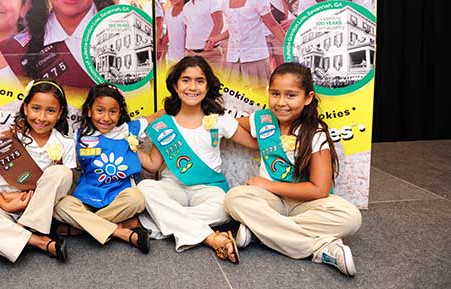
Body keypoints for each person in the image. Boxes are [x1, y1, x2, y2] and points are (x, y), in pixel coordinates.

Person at [224, 62, 362, 276]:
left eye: (291, 95)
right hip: (270, 201)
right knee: (234, 198)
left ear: (307, 98)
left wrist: (269, 184)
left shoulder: (314, 133)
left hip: (307, 202)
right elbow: (233, 127)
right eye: (275, 94)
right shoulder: (261, 120)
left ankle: (260, 231)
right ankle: (322, 248)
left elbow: (319, 190)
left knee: (351, 217)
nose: (281, 103)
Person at [137, 56, 258, 264]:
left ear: (207, 86)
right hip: (172, 186)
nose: (192, 87)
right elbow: (153, 164)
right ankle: (210, 237)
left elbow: (255, 144)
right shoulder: (164, 123)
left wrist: (281, 133)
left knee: (224, 206)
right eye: (186, 80)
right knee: (146, 188)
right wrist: (126, 144)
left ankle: (163, 223)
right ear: (175, 86)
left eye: (199, 81)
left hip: (209, 189)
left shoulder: (219, 120)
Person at [0, 79, 76, 263]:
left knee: (62, 173)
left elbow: (62, 186)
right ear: (25, 108)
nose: (42, 117)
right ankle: (37, 241)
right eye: (36, 108)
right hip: (6, 208)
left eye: (50, 111)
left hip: (42, 210)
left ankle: (16, 233)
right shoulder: (8, 139)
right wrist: (6, 205)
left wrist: (31, 200)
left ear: (59, 114)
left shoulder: (66, 143)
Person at [53, 83, 161, 253]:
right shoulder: (80, 135)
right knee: (61, 206)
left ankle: (80, 228)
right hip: (87, 197)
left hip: (119, 197)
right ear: (89, 111)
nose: (106, 117)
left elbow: (156, 117)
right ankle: (119, 231)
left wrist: (180, 103)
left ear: (120, 113)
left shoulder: (129, 129)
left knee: (137, 198)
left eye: (113, 112)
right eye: (100, 110)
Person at [206, 0, 285, 90]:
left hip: (255, 58)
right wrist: (216, 38)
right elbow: (232, 29)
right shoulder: (225, 3)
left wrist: (288, 45)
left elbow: (273, 25)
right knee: (235, 97)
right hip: (233, 59)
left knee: (257, 96)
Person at [183, 0, 224, 68]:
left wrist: (210, 42)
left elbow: (219, 23)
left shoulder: (213, 0)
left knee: (213, 82)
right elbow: (188, 28)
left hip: (210, 53)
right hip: (191, 53)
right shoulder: (187, 6)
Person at [163, 0, 190, 65]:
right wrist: (160, 46)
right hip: (171, 58)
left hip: (184, 58)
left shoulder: (187, 12)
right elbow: (168, 34)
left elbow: (188, 35)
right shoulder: (168, 12)